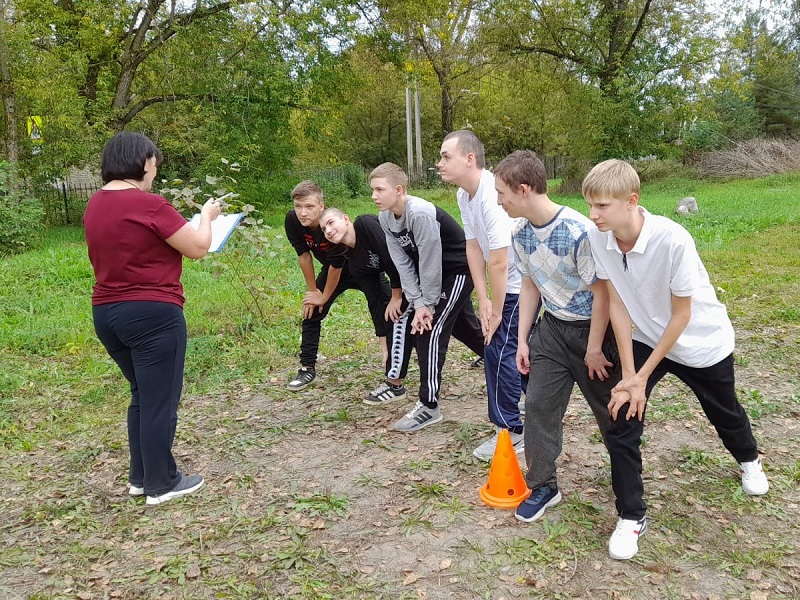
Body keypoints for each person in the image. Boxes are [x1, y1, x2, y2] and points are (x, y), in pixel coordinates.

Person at [583, 159, 769, 560]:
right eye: (590, 205)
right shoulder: (601, 236)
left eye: (602, 206)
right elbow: (616, 302)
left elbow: (682, 315)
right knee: (621, 413)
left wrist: (643, 373)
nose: (593, 215)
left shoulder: (673, 239)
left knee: (723, 411)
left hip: (700, 341)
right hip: (649, 336)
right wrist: (631, 375)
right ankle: (632, 515)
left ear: (632, 201)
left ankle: (749, 459)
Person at [493, 150, 629, 545]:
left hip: (592, 332)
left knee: (611, 414)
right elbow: (532, 284)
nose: (499, 201)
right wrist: (522, 340)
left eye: (502, 193)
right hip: (550, 330)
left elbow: (602, 294)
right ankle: (543, 485)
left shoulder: (578, 230)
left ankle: (627, 489)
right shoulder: (519, 233)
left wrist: (592, 347)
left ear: (523, 189)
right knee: (538, 406)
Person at [83, 132, 220, 505]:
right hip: (153, 314)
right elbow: (198, 248)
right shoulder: (149, 205)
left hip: (107, 314)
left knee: (143, 395)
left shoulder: (94, 204)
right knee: (160, 400)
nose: (155, 170)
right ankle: (162, 483)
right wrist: (206, 217)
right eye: (155, 163)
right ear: (142, 162)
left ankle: (141, 477)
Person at [372, 162, 486, 432]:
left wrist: (427, 306)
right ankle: (516, 374)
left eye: (379, 189)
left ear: (399, 190)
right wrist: (417, 300)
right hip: (432, 277)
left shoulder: (420, 214)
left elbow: (431, 261)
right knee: (470, 332)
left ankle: (429, 406)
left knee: (429, 331)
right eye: (372, 190)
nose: (374, 196)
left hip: (457, 272)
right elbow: (402, 263)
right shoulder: (386, 218)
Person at [438, 130, 526, 460]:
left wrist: (497, 309)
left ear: (470, 159)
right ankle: (537, 412)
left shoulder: (491, 193)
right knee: (513, 350)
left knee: (497, 350)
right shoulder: (465, 196)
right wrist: (483, 299)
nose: (440, 163)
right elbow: (473, 247)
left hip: (520, 285)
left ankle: (512, 430)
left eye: (446, 156)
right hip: (504, 286)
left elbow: (501, 259)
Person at [284, 181, 392, 391]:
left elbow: (337, 264)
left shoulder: (332, 227)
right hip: (333, 270)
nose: (302, 213)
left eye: (309, 207)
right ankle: (307, 367)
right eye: (298, 206)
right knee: (311, 310)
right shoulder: (293, 221)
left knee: (385, 312)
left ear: (321, 206)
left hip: (362, 268)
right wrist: (314, 291)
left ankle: (392, 365)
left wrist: (324, 296)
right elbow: (303, 255)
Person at [318, 207, 412, 404]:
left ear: (345, 219)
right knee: (460, 324)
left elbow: (392, 257)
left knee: (411, 323)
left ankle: (394, 385)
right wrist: (383, 343)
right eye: (323, 228)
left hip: (428, 268)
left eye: (331, 223)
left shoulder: (365, 224)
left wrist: (397, 295)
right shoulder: (356, 263)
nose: (327, 230)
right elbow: (376, 301)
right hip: (411, 281)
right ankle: (490, 354)